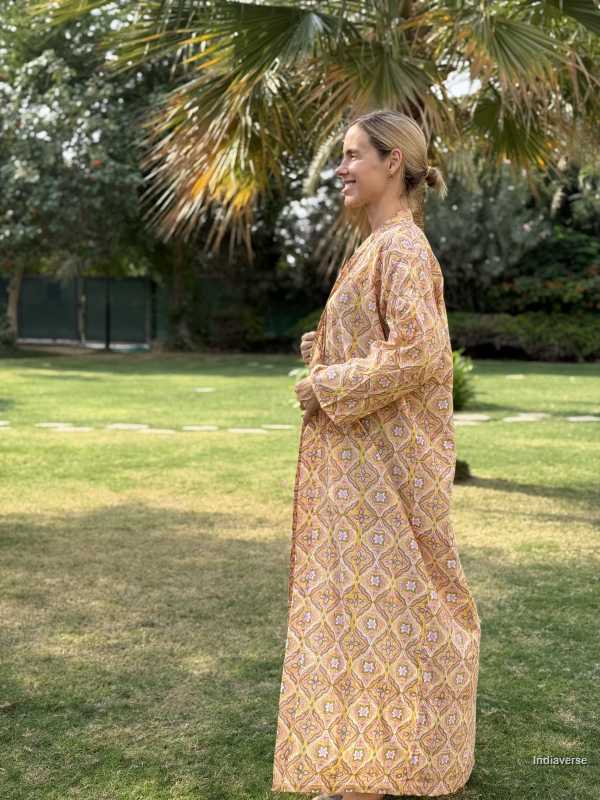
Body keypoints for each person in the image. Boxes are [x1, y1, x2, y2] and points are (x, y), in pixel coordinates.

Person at [271, 109, 481, 800]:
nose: (341, 167)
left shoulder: (401, 247)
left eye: (354, 154)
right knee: (370, 612)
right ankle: (371, 756)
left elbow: (418, 355)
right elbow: (385, 339)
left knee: (405, 606)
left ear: (395, 163)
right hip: (361, 475)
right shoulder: (378, 245)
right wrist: (326, 348)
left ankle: (403, 760)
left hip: (386, 478)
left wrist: (324, 383)